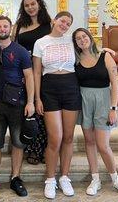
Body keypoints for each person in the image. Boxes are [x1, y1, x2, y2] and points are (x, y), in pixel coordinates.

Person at [0, 15, 35, 199]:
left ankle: (15, 178)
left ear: (10, 29)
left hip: (18, 103)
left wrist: (30, 102)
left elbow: (29, 77)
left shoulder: (20, 51)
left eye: (5, 26)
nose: (2, 29)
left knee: (18, 143)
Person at [72, 27, 118, 197]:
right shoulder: (76, 59)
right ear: (75, 43)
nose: (82, 40)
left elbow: (115, 84)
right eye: (78, 39)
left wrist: (113, 108)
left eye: (84, 36)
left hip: (103, 102)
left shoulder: (105, 56)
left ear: (90, 37)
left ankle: (116, 179)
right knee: (89, 142)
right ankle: (95, 179)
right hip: (84, 102)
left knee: (103, 146)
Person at [33, 11, 80, 199]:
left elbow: (89, 50)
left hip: (70, 87)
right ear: (54, 20)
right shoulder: (41, 42)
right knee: (55, 138)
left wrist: (106, 52)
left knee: (68, 137)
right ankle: (50, 179)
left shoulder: (72, 40)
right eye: (62, 21)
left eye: (68, 23)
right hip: (49, 89)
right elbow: (36, 73)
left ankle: (65, 177)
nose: (65, 25)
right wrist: (37, 98)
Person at [12, 0, 52, 166]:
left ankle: (44, 148)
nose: (30, 7)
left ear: (39, 4)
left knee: (43, 110)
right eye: (26, 5)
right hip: (24, 70)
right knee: (28, 110)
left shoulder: (49, 24)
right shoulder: (19, 25)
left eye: (33, 4)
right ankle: (30, 148)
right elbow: (13, 46)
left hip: (44, 71)